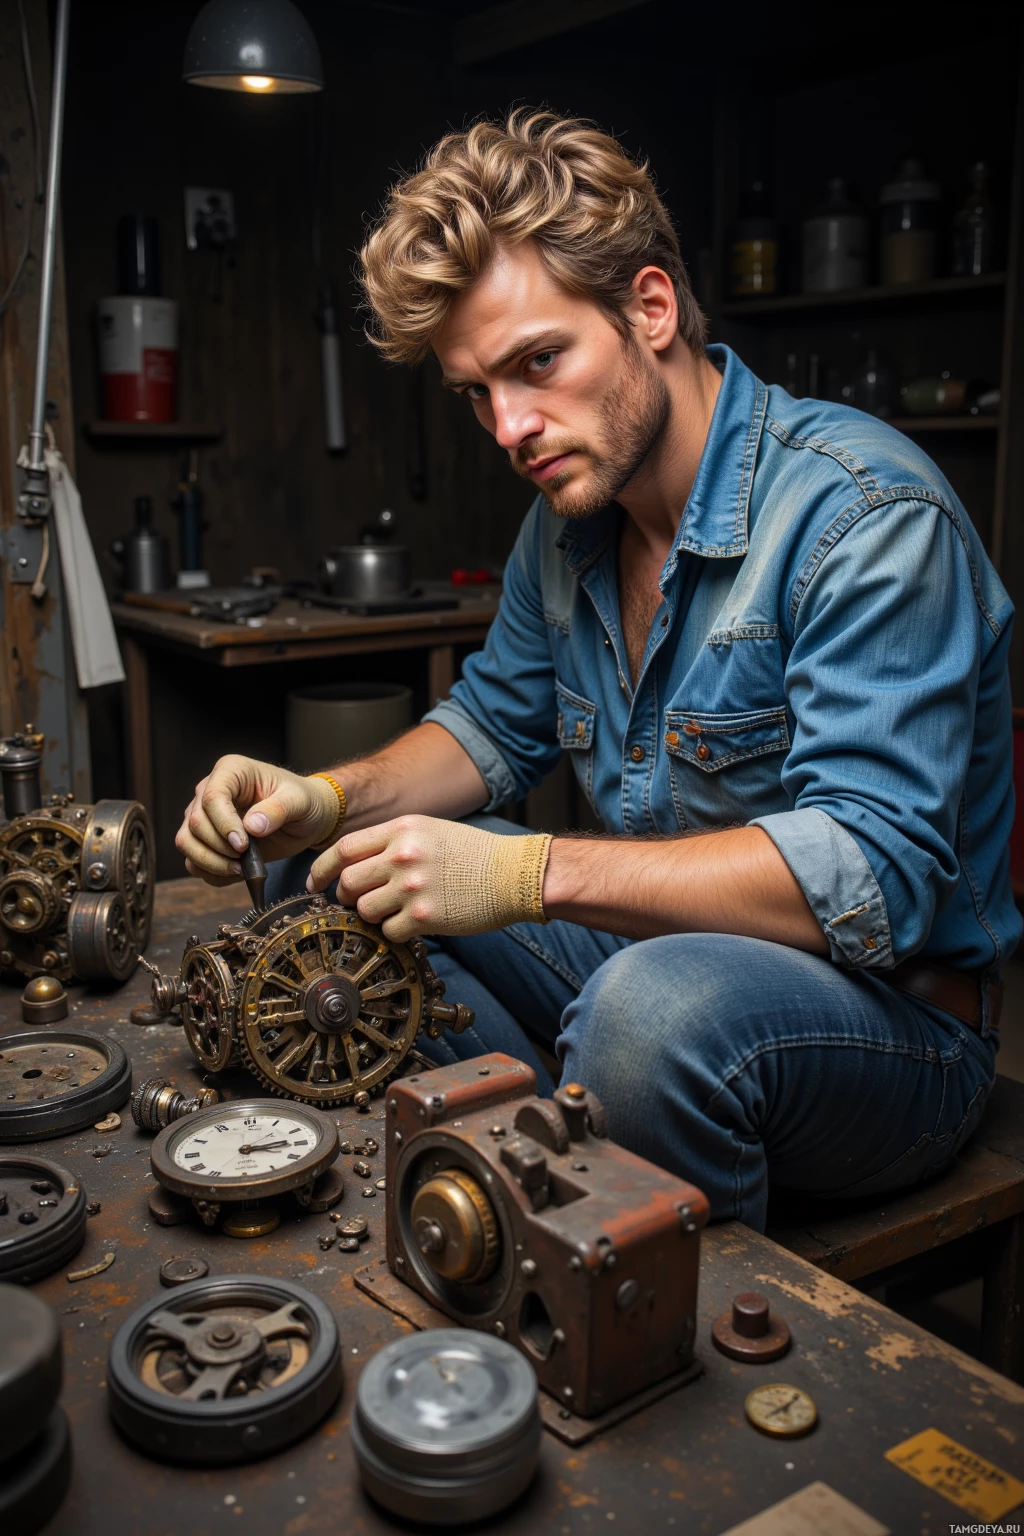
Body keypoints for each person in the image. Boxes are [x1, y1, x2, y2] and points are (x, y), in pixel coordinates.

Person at [176, 109, 1018, 1230]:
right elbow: (488, 728)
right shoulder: (570, 526)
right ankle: (527, 1192)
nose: (511, 426)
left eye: (538, 362)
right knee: (329, 874)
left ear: (650, 308)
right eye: (478, 392)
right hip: (654, 969)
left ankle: (637, 1296)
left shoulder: (864, 513)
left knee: (645, 1017)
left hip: (891, 1033)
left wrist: (527, 876)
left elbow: (873, 873)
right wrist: (324, 798)